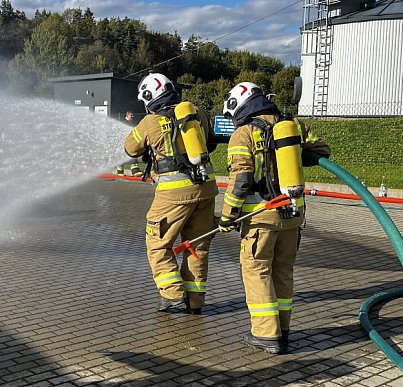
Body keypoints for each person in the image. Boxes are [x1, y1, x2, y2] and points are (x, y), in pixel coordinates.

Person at [218, 81, 330, 354]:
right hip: (293, 215)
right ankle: (283, 329)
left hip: (261, 217)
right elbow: (323, 151)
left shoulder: (243, 134)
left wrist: (227, 215)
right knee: (283, 270)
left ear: (240, 106)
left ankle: (266, 335)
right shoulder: (293, 126)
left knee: (257, 272)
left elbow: (242, 181)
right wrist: (288, 153)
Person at [123, 73, 218, 315]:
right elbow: (211, 141)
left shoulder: (150, 121)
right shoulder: (197, 112)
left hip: (173, 194)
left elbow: (131, 148)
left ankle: (173, 295)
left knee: (157, 244)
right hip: (206, 189)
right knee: (197, 246)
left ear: (148, 96)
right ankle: (195, 302)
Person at [115, 111, 143, 177]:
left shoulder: (131, 123)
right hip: (123, 142)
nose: (133, 116)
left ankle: (133, 171)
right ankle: (123, 171)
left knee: (131, 154)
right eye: (131, 115)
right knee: (128, 155)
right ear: (127, 115)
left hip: (129, 142)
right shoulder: (123, 122)